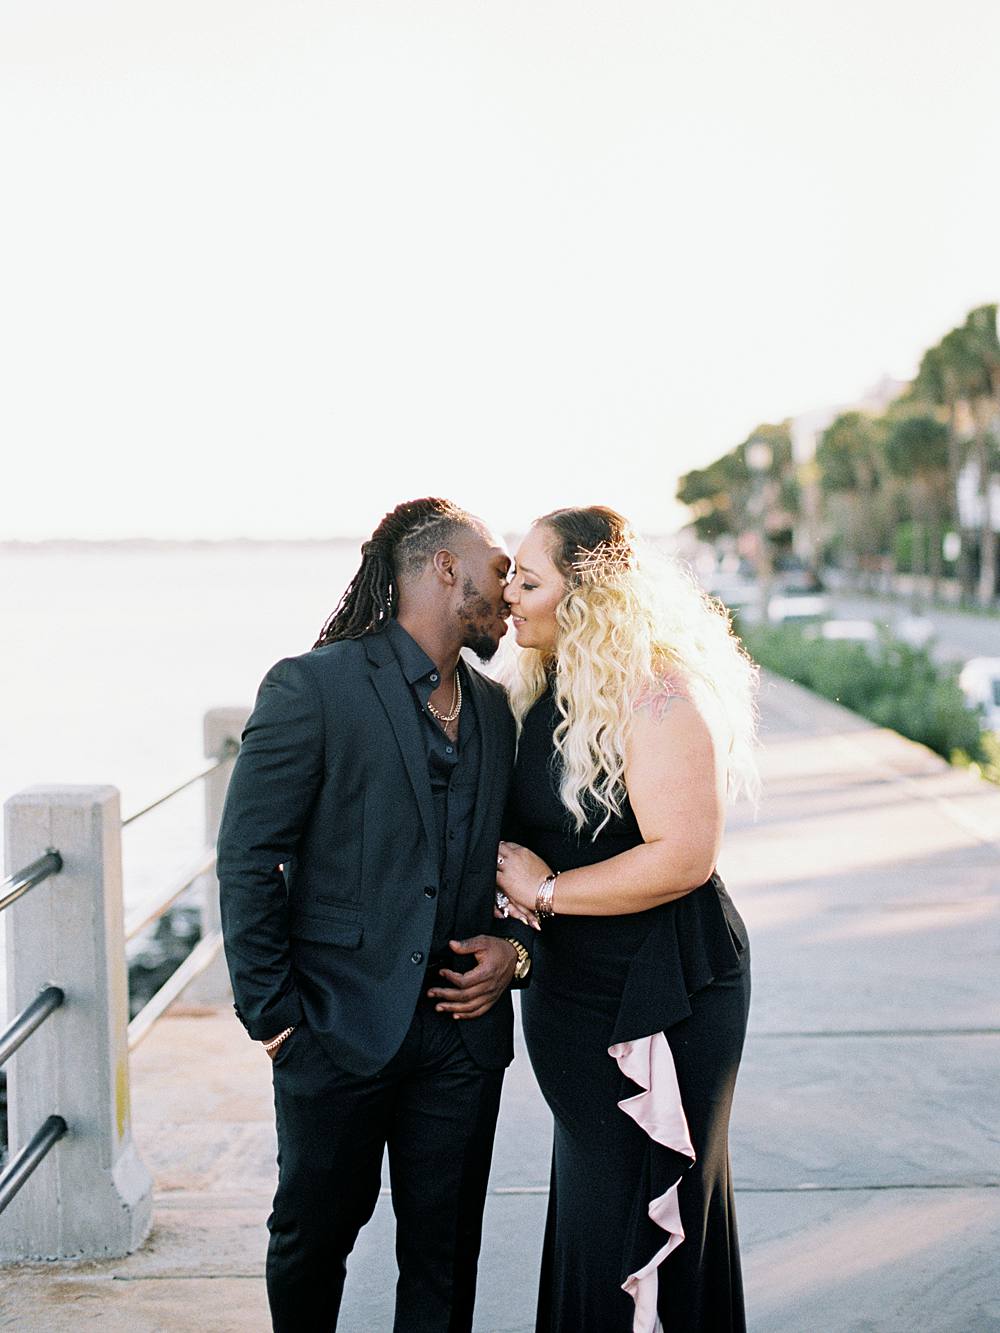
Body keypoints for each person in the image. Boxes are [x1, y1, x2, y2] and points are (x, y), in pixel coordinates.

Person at [217, 497, 535, 1333]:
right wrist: (278, 1020)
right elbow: (249, 858)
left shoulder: (497, 711)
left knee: (444, 1259)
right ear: (443, 567)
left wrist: (516, 950)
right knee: (311, 1246)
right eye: (498, 567)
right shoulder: (313, 687)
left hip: (461, 1040)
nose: (509, 589)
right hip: (334, 1029)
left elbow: (530, 858)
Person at [495, 506, 758, 1333]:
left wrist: (545, 893)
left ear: (589, 598)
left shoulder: (657, 694)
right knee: (593, 1209)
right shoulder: (551, 685)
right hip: (576, 994)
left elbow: (685, 855)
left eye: (529, 580)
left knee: (644, 1206)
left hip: (663, 996)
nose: (509, 592)